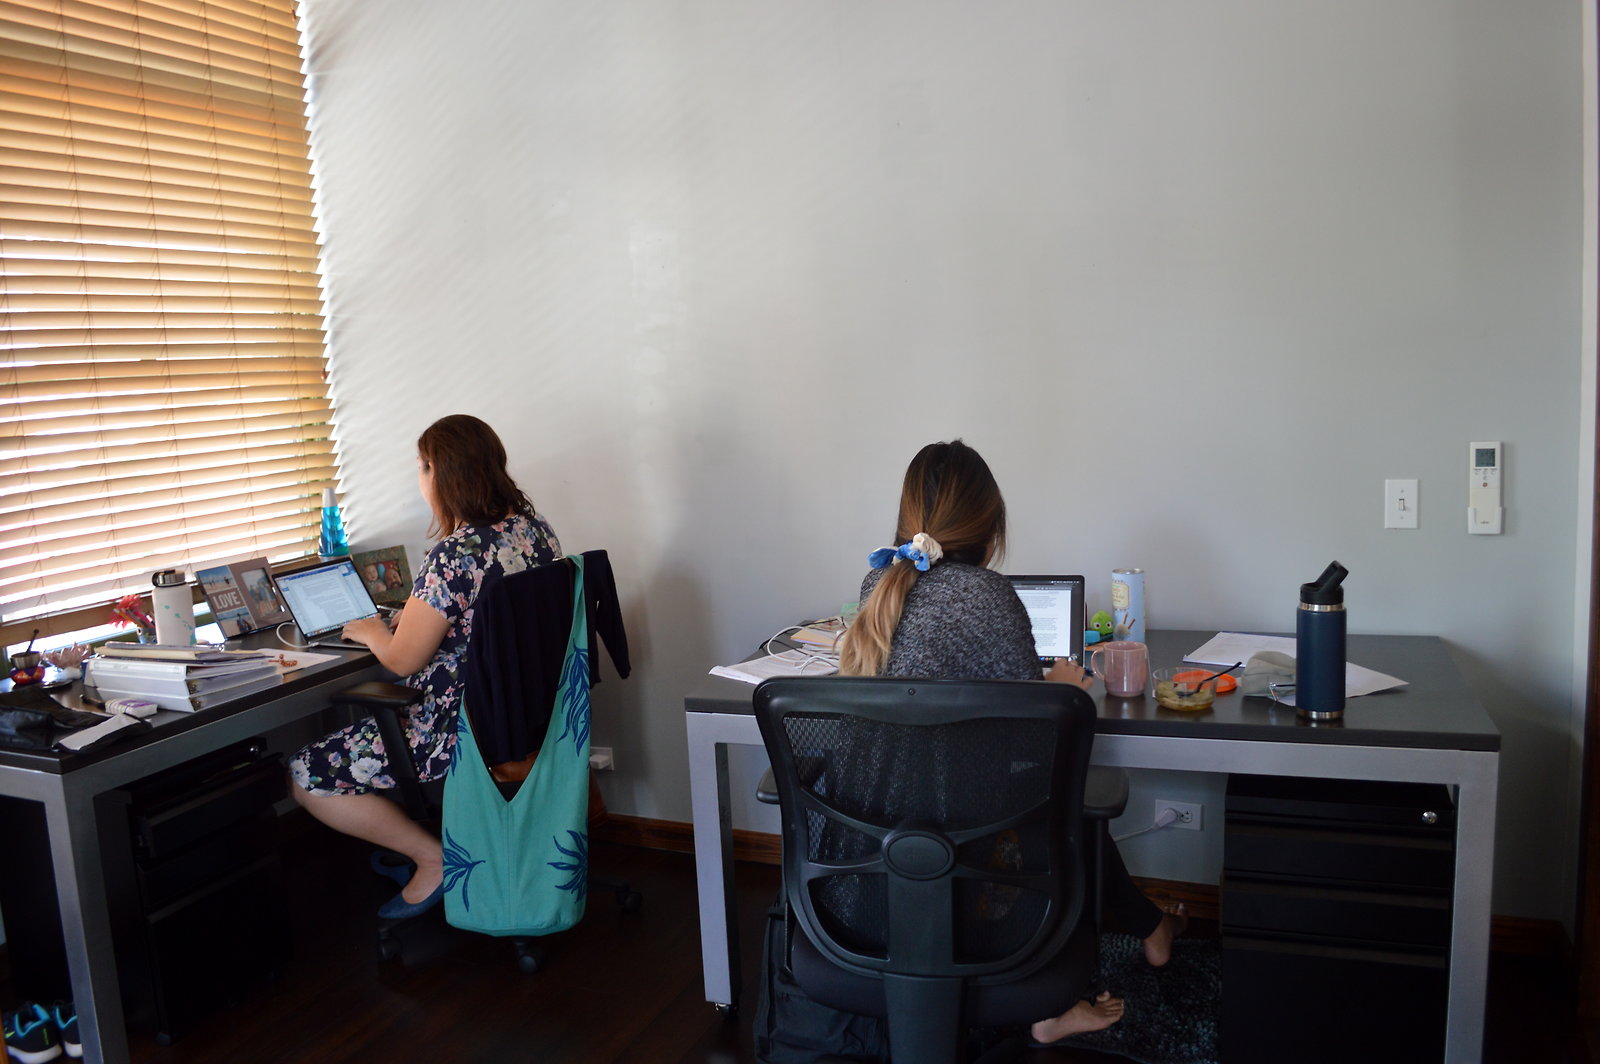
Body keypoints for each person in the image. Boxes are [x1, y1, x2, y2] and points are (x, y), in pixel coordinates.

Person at [837, 439, 1185, 1045]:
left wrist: (1035, 691)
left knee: (1040, 799)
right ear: (991, 526)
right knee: (1065, 801)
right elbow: (1033, 742)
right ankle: (1057, 998)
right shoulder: (989, 596)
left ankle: (1137, 936)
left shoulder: (878, 586)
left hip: (871, 882)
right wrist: (1062, 691)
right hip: (969, 880)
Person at [288, 415, 562, 919]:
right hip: (526, 717)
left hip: (457, 729)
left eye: (422, 466)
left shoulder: (453, 555)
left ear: (441, 472)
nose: (419, 477)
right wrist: (415, 619)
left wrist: (372, 631)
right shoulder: (534, 531)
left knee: (306, 772)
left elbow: (402, 659)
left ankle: (432, 859)